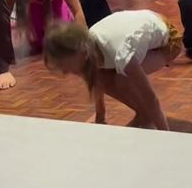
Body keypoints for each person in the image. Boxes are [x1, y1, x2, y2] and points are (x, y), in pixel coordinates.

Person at [43, 12, 181, 130]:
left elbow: (150, 98)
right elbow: (94, 79)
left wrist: (165, 135)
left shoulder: (123, 56)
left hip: (169, 40)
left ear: (82, 54)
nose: (65, 72)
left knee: (122, 78)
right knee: (100, 76)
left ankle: (147, 117)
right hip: (140, 26)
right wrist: (100, 117)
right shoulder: (88, 48)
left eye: (63, 65)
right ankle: (143, 114)